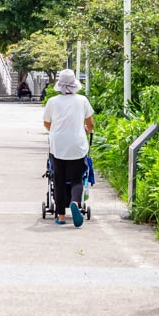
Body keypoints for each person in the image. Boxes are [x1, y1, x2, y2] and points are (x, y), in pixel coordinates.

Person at [42, 69, 94, 227]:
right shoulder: (82, 100)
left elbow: (46, 124)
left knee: (58, 179)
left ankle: (61, 216)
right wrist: (85, 130)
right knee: (77, 178)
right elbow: (90, 125)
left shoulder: (52, 102)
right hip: (77, 145)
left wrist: (58, 129)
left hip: (58, 146)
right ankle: (75, 203)